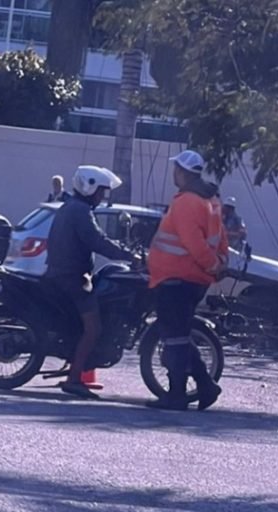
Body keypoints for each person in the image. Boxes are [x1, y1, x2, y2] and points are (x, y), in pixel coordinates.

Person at [146, 150, 228, 411]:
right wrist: (219, 264)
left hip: (176, 278)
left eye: (175, 170)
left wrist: (213, 264)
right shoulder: (210, 200)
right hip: (191, 279)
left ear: (182, 172)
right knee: (178, 334)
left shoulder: (186, 202)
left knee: (174, 338)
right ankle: (205, 386)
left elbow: (194, 244)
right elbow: (221, 238)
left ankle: (177, 394)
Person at [44, 165, 134, 399]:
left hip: (63, 273)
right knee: (94, 328)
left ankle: (76, 364)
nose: (103, 196)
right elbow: (97, 240)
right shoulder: (81, 211)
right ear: (89, 186)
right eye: (101, 191)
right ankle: (74, 379)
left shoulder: (72, 207)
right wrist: (128, 255)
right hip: (71, 277)